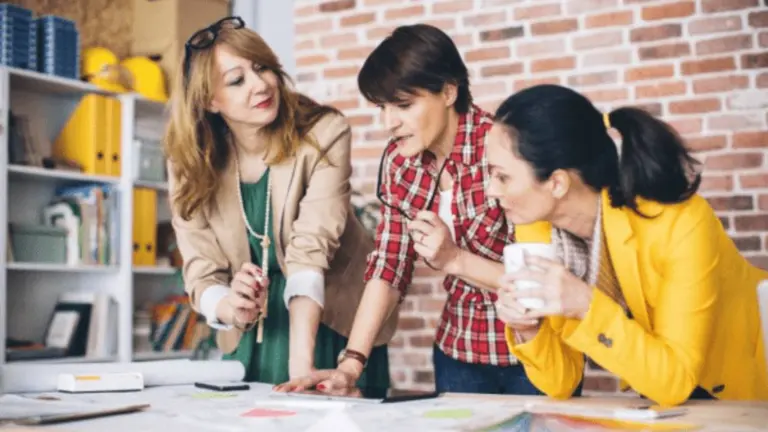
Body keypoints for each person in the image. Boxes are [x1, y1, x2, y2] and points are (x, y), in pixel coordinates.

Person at [276, 24, 580, 396]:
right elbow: (389, 263)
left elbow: (540, 279)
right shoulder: (401, 162)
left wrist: (454, 258)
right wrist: (350, 365)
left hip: (534, 356)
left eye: (403, 105)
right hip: (459, 352)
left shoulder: (503, 150)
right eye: (382, 107)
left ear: (449, 91)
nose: (389, 122)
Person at [485, 83, 768, 406]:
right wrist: (528, 330)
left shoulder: (681, 223)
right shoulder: (538, 229)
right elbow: (561, 382)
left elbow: (674, 379)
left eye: (502, 176)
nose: (491, 190)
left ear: (557, 182)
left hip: (749, 390)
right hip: (667, 402)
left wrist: (585, 304)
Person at [165, 16, 398, 386]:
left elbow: (311, 249)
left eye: (262, 68)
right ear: (210, 100)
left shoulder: (324, 133)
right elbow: (200, 268)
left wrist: (301, 369)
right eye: (237, 80)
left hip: (329, 319)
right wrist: (230, 305)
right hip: (252, 333)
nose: (260, 85)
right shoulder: (190, 162)